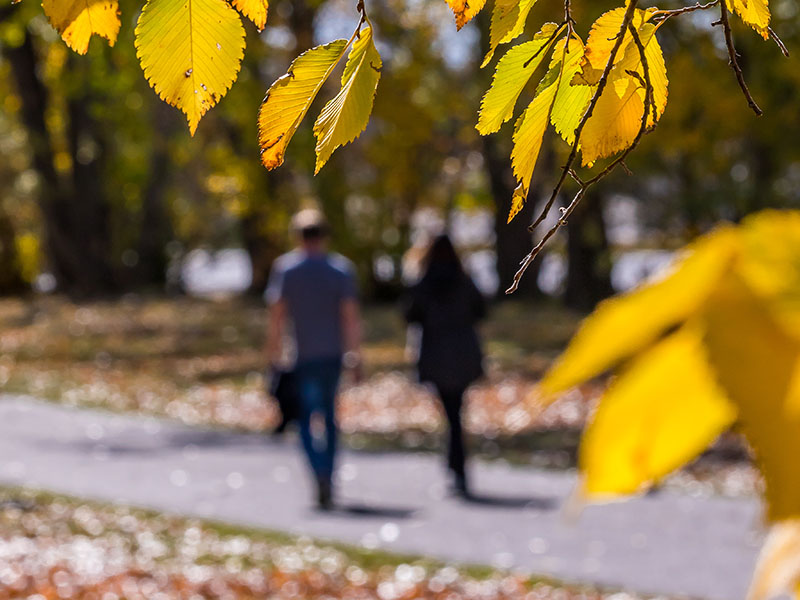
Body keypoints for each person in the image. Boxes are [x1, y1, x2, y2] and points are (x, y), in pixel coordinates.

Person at [264, 209, 362, 509]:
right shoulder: (340, 270)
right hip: (332, 355)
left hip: (301, 355)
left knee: (306, 418)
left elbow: (277, 317)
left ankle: (317, 471)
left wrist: (273, 353)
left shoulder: (287, 270)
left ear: (298, 237)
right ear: (324, 236)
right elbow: (350, 318)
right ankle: (328, 475)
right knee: (329, 418)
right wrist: (355, 355)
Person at [404, 234, 486, 498]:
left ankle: (456, 466)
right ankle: (457, 466)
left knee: (451, 415)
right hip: (463, 354)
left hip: (436, 355)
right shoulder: (464, 279)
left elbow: (410, 315)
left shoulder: (423, 282)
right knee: (456, 412)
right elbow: (482, 310)